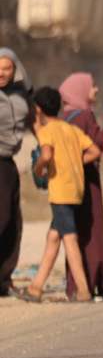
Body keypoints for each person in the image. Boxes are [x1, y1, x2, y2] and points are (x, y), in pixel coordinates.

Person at [19, 88, 101, 303]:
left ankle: (83, 290)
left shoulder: (47, 131)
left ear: (38, 109)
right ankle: (36, 287)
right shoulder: (70, 129)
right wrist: (74, 162)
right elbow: (95, 152)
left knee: (69, 239)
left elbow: (46, 155)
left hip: (61, 192)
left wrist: (39, 168)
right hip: (76, 190)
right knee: (54, 236)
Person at [58, 72, 103, 300]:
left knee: (75, 233)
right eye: (92, 86)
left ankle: (75, 286)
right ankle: (94, 283)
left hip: (68, 184)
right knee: (92, 231)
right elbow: (97, 144)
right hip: (88, 183)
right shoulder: (86, 116)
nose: (96, 90)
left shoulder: (65, 118)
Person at [0, 48, 29, 297]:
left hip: (8, 164)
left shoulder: (22, 95)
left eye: (7, 67)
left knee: (12, 223)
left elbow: (38, 120)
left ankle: (4, 279)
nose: (1, 72)